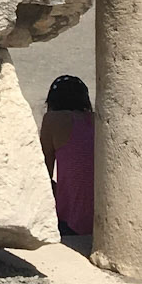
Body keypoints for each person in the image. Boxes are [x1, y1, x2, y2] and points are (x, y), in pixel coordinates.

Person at [40, 74, 95, 236]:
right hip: (101, 219)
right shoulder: (99, 120)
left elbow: (43, 173)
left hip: (73, 223)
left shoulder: (53, 120)